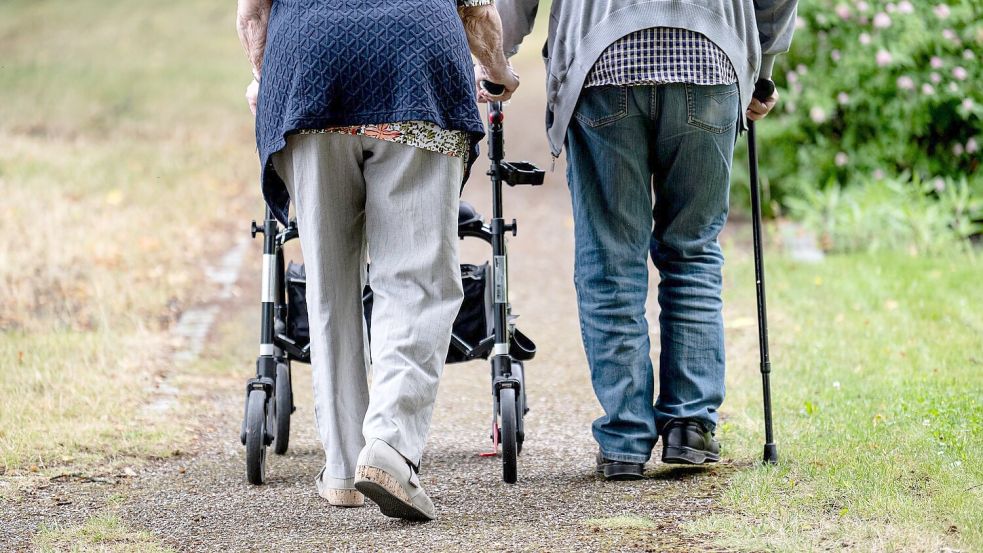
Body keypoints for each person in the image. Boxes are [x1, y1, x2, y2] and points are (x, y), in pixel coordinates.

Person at [236, 0, 518, 521]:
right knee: (417, 280)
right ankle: (388, 445)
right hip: (417, 69)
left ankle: (343, 469)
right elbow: (478, 11)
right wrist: (497, 71)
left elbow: (253, 13)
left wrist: (267, 74)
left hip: (309, 74)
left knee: (330, 287)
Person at [493, 0, 797, 479]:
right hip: (710, 54)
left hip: (602, 56)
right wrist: (764, 66)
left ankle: (625, 437)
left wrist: (498, 55)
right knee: (692, 250)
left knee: (610, 259)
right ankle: (690, 425)